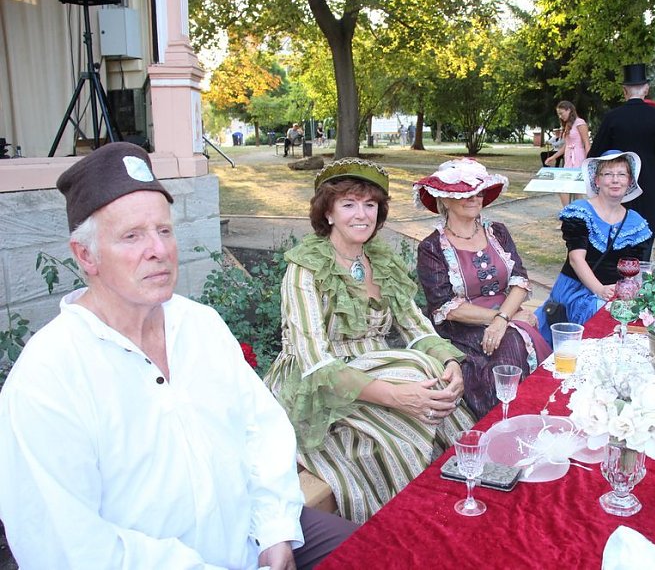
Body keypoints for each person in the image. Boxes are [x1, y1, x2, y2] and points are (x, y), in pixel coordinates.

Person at [0, 142, 355, 569]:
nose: (159, 250)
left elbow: (260, 428)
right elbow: (66, 546)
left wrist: (276, 532)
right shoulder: (49, 377)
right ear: (85, 255)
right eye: (132, 236)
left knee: (383, 551)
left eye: (164, 231)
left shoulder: (198, 324)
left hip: (252, 534)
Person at [264, 158, 474, 524]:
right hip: (320, 383)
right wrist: (397, 396)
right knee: (408, 404)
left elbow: (415, 326)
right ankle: (414, 522)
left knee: (430, 374)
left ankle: (459, 500)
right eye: (348, 204)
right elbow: (315, 363)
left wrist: (449, 363)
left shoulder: (381, 260)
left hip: (378, 365)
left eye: (370, 205)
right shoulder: (305, 268)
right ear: (327, 213)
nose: (362, 215)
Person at [414, 159, 552, 419]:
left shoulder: (497, 232)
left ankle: (527, 416)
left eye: (478, 192)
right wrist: (502, 319)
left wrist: (505, 318)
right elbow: (445, 307)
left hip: (509, 315)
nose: (474, 198)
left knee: (512, 339)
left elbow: (519, 280)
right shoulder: (432, 247)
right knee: (511, 340)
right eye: (464, 193)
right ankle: (504, 420)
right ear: (444, 200)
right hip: (464, 328)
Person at [535, 150, 652, 343]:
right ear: (597, 180)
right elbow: (576, 259)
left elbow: (635, 269)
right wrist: (600, 290)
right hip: (576, 290)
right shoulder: (581, 212)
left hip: (614, 293)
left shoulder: (635, 223)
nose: (615, 180)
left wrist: (624, 291)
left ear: (630, 181)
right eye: (608, 174)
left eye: (621, 174)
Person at [589, 63, 655, 261]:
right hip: (650, 186)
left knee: (615, 237)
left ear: (624, 90)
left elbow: (595, 154)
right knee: (644, 239)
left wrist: (596, 185)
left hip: (616, 185)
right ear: (646, 88)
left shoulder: (613, 117)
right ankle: (639, 281)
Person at [544, 101, 591, 208]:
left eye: (561, 113)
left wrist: (589, 161)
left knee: (576, 189)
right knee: (564, 187)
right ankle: (569, 210)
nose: (560, 116)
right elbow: (566, 145)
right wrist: (553, 157)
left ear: (569, 110)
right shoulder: (567, 125)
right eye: (558, 114)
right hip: (569, 158)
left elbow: (587, 143)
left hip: (578, 157)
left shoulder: (580, 123)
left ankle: (575, 213)